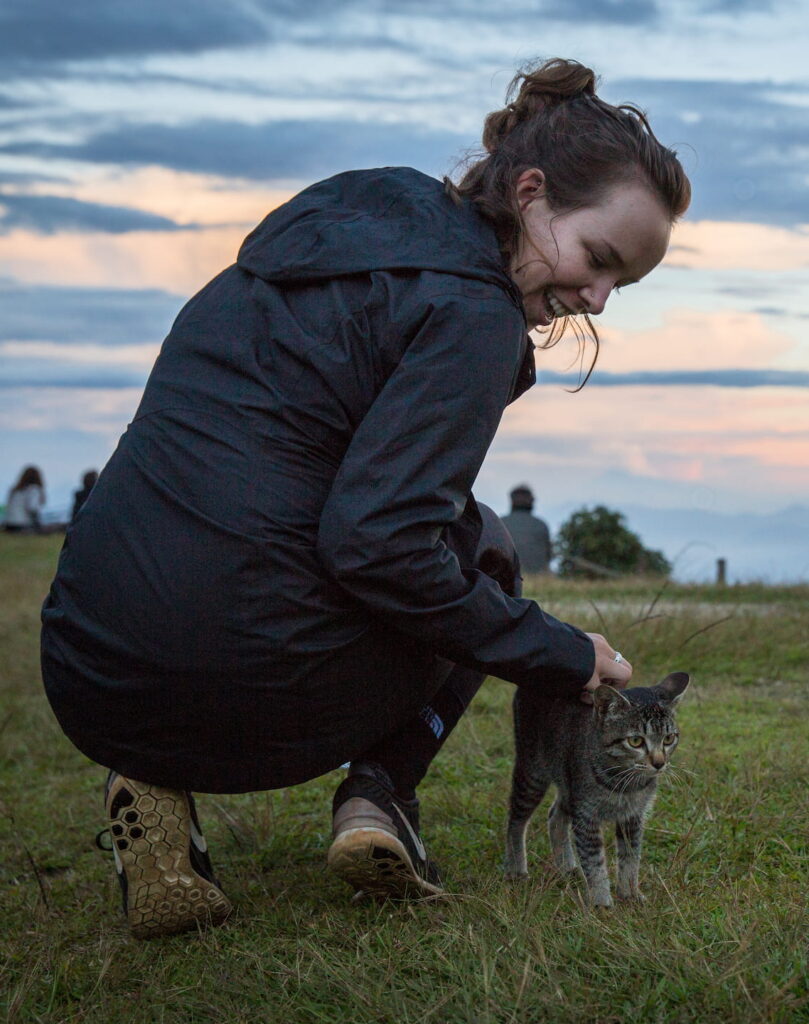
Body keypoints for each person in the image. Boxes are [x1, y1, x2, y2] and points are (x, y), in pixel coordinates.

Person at [40, 57, 690, 939]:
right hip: (242, 674)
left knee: (435, 537)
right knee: (484, 556)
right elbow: (379, 545)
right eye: (598, 259)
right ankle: (378, 797)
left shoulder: (343, 223)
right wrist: (560, 653)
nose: (598, 301)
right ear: (531, 192)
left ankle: (150, 783)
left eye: (623, 287)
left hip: (90, 659)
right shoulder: (473, 313)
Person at [501, 484, 553, 574]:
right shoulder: (541, 525)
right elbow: (548, 556)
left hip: (505, 578)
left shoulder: (499, 523)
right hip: (537, 578)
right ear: (531, 501)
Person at [3, 465, 45, 533]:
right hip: (22, 525)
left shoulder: (15, 490)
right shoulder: (33, 489)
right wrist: (38, 524)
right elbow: (32, 508)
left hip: (9, 525)